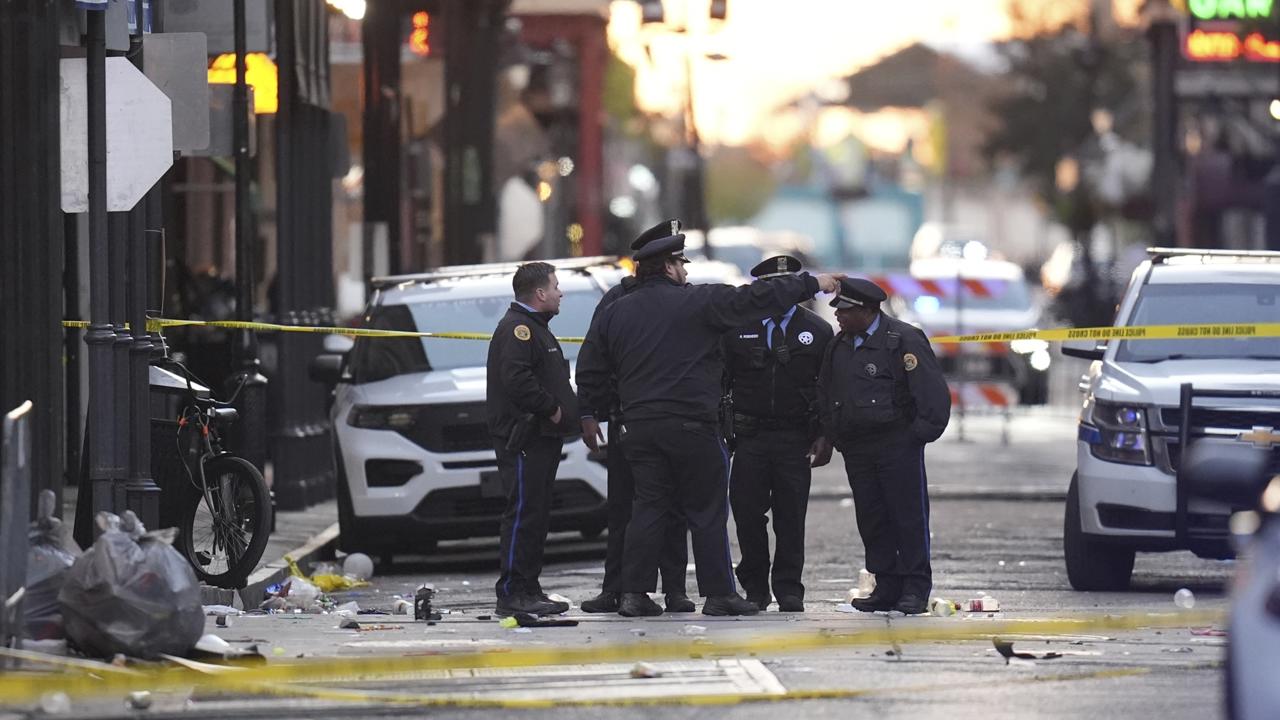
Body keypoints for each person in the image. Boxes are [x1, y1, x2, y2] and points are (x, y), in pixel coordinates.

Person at [577, 229, 843, 617]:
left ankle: (633, 593)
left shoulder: (617, 309)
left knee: (648, 508)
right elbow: (756, 297)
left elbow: (591, 364)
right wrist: (812, 283)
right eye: (681, 264)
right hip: (692, 427)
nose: (685, 271)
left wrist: (589, 413)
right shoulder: (700, 302)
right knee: (706, 510)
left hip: (639, 427)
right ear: (668, 267)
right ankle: (719, 593)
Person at [579, 220, 693, 615]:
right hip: (625, 417)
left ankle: (675, 590)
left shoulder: (685, 298)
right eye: (678, 260)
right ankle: (617, 588)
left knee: (673, 507)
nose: (683, 269)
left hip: (665, 418)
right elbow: (593, 360)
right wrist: (589, 413)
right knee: (624, 508)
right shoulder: (616, 300)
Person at [817, 278, 950, 615]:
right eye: (837, 310)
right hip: (859, 448)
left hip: (896, 445)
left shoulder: (902, 339)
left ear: (868, 310)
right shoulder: (840, 345)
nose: (839, 316)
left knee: (906, 516)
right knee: (873, 518)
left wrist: (916, 436)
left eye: (845, 311)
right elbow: (828, 393)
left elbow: (931, 393)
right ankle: (886, 584)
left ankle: (915, 587)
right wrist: (834, 435)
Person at [722, 255, 835, 613]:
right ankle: (754, 587)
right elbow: (721, 380)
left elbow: (826, 388)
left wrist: (824, 434)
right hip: (750, 437)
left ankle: (789, 588)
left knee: (791, 517)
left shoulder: (817, 330)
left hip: (794, 437)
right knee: (747, 515)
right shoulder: (738, 327)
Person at [486, 262, 579, 617]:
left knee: (536, 514)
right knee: (524, 512)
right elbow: (517, 380)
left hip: (541, 437)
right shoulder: (519, 330)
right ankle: (512, 592)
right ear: (539, 293)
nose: (560, 293)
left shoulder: (534, 327)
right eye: (555, 286)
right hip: (526, 435)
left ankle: (529, 587)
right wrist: (552, 408)